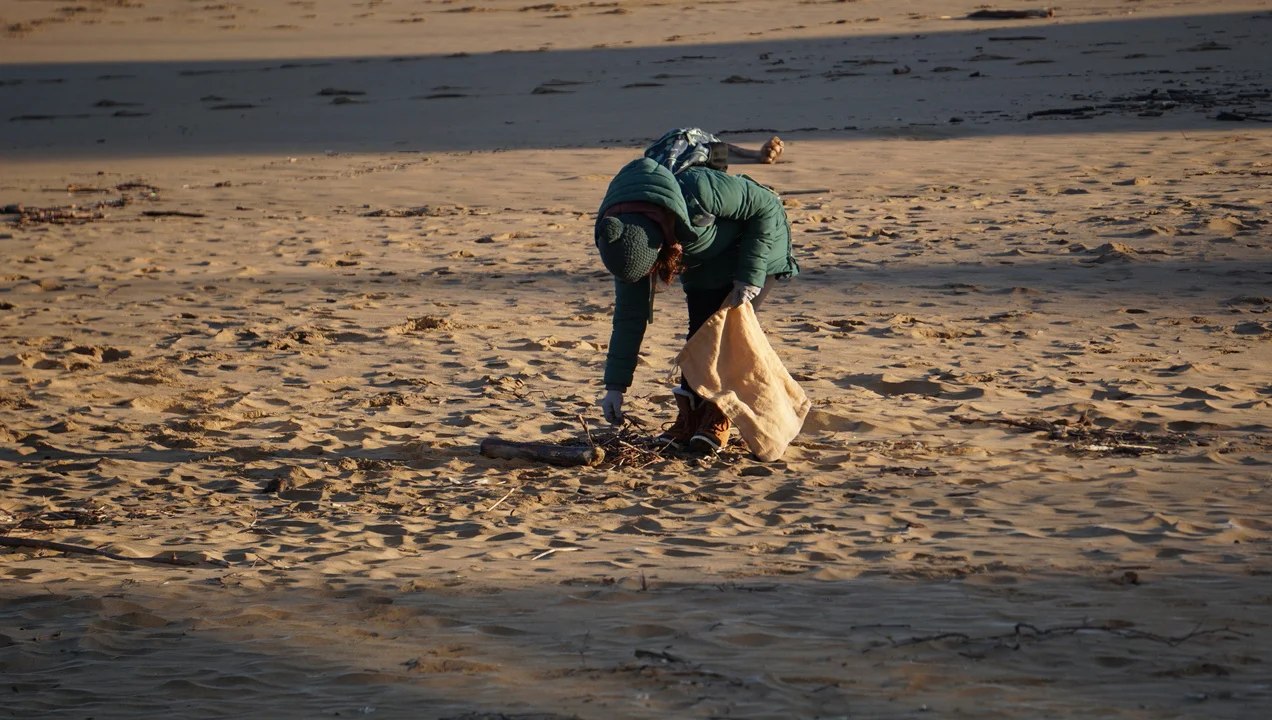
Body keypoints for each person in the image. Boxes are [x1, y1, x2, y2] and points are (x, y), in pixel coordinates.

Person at [594, 128, 799, 453]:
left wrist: (749, 276)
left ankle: (719, 415)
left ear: (661, 246)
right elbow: (629, 317)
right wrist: (615, 387)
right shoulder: (624, 244)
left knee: (727, 337)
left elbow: (767, 207)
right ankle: (690, 418)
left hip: (757, 247)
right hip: (704, 257)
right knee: (699, 334)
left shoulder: (699, 189)